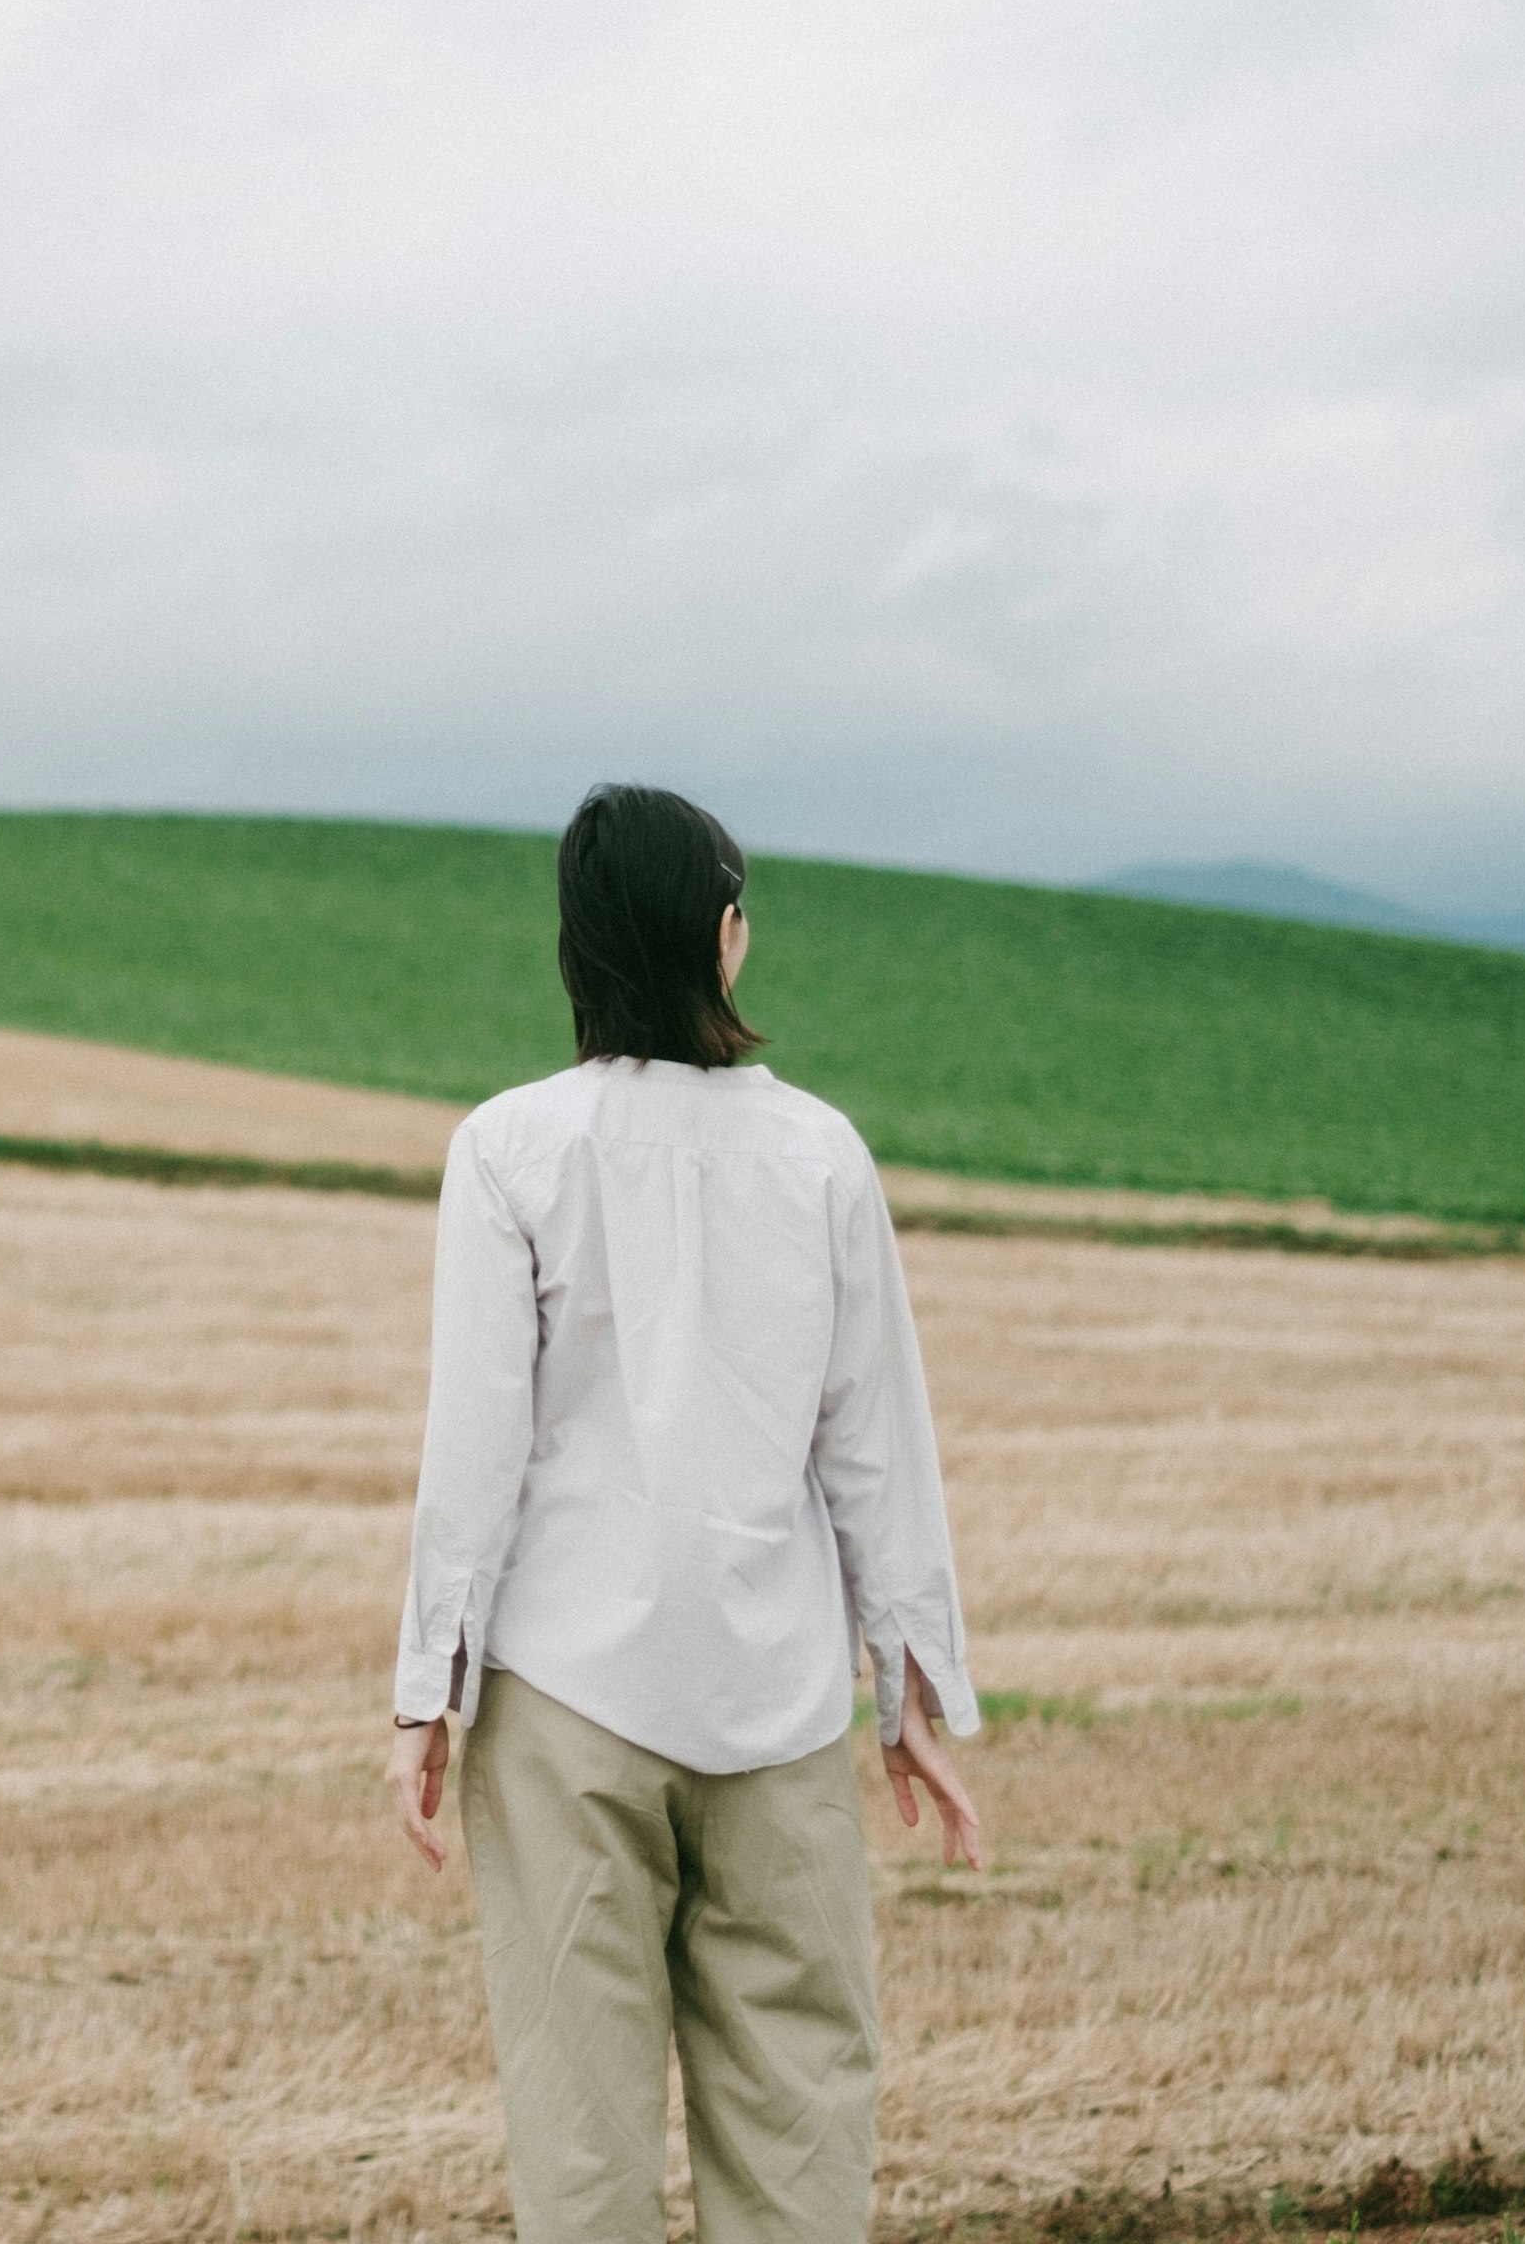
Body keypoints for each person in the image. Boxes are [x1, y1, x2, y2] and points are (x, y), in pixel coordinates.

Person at [385, 782, 986, 2244]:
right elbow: (875, 1449)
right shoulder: (824, 1156)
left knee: (580, 2151)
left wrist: (427, 1694)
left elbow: (476, 1451)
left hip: (564, 1712)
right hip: (776, 1712)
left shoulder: (509, 1150)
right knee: (801, 2135)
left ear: (577, 950)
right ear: (725, 939)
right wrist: (913, 1688)